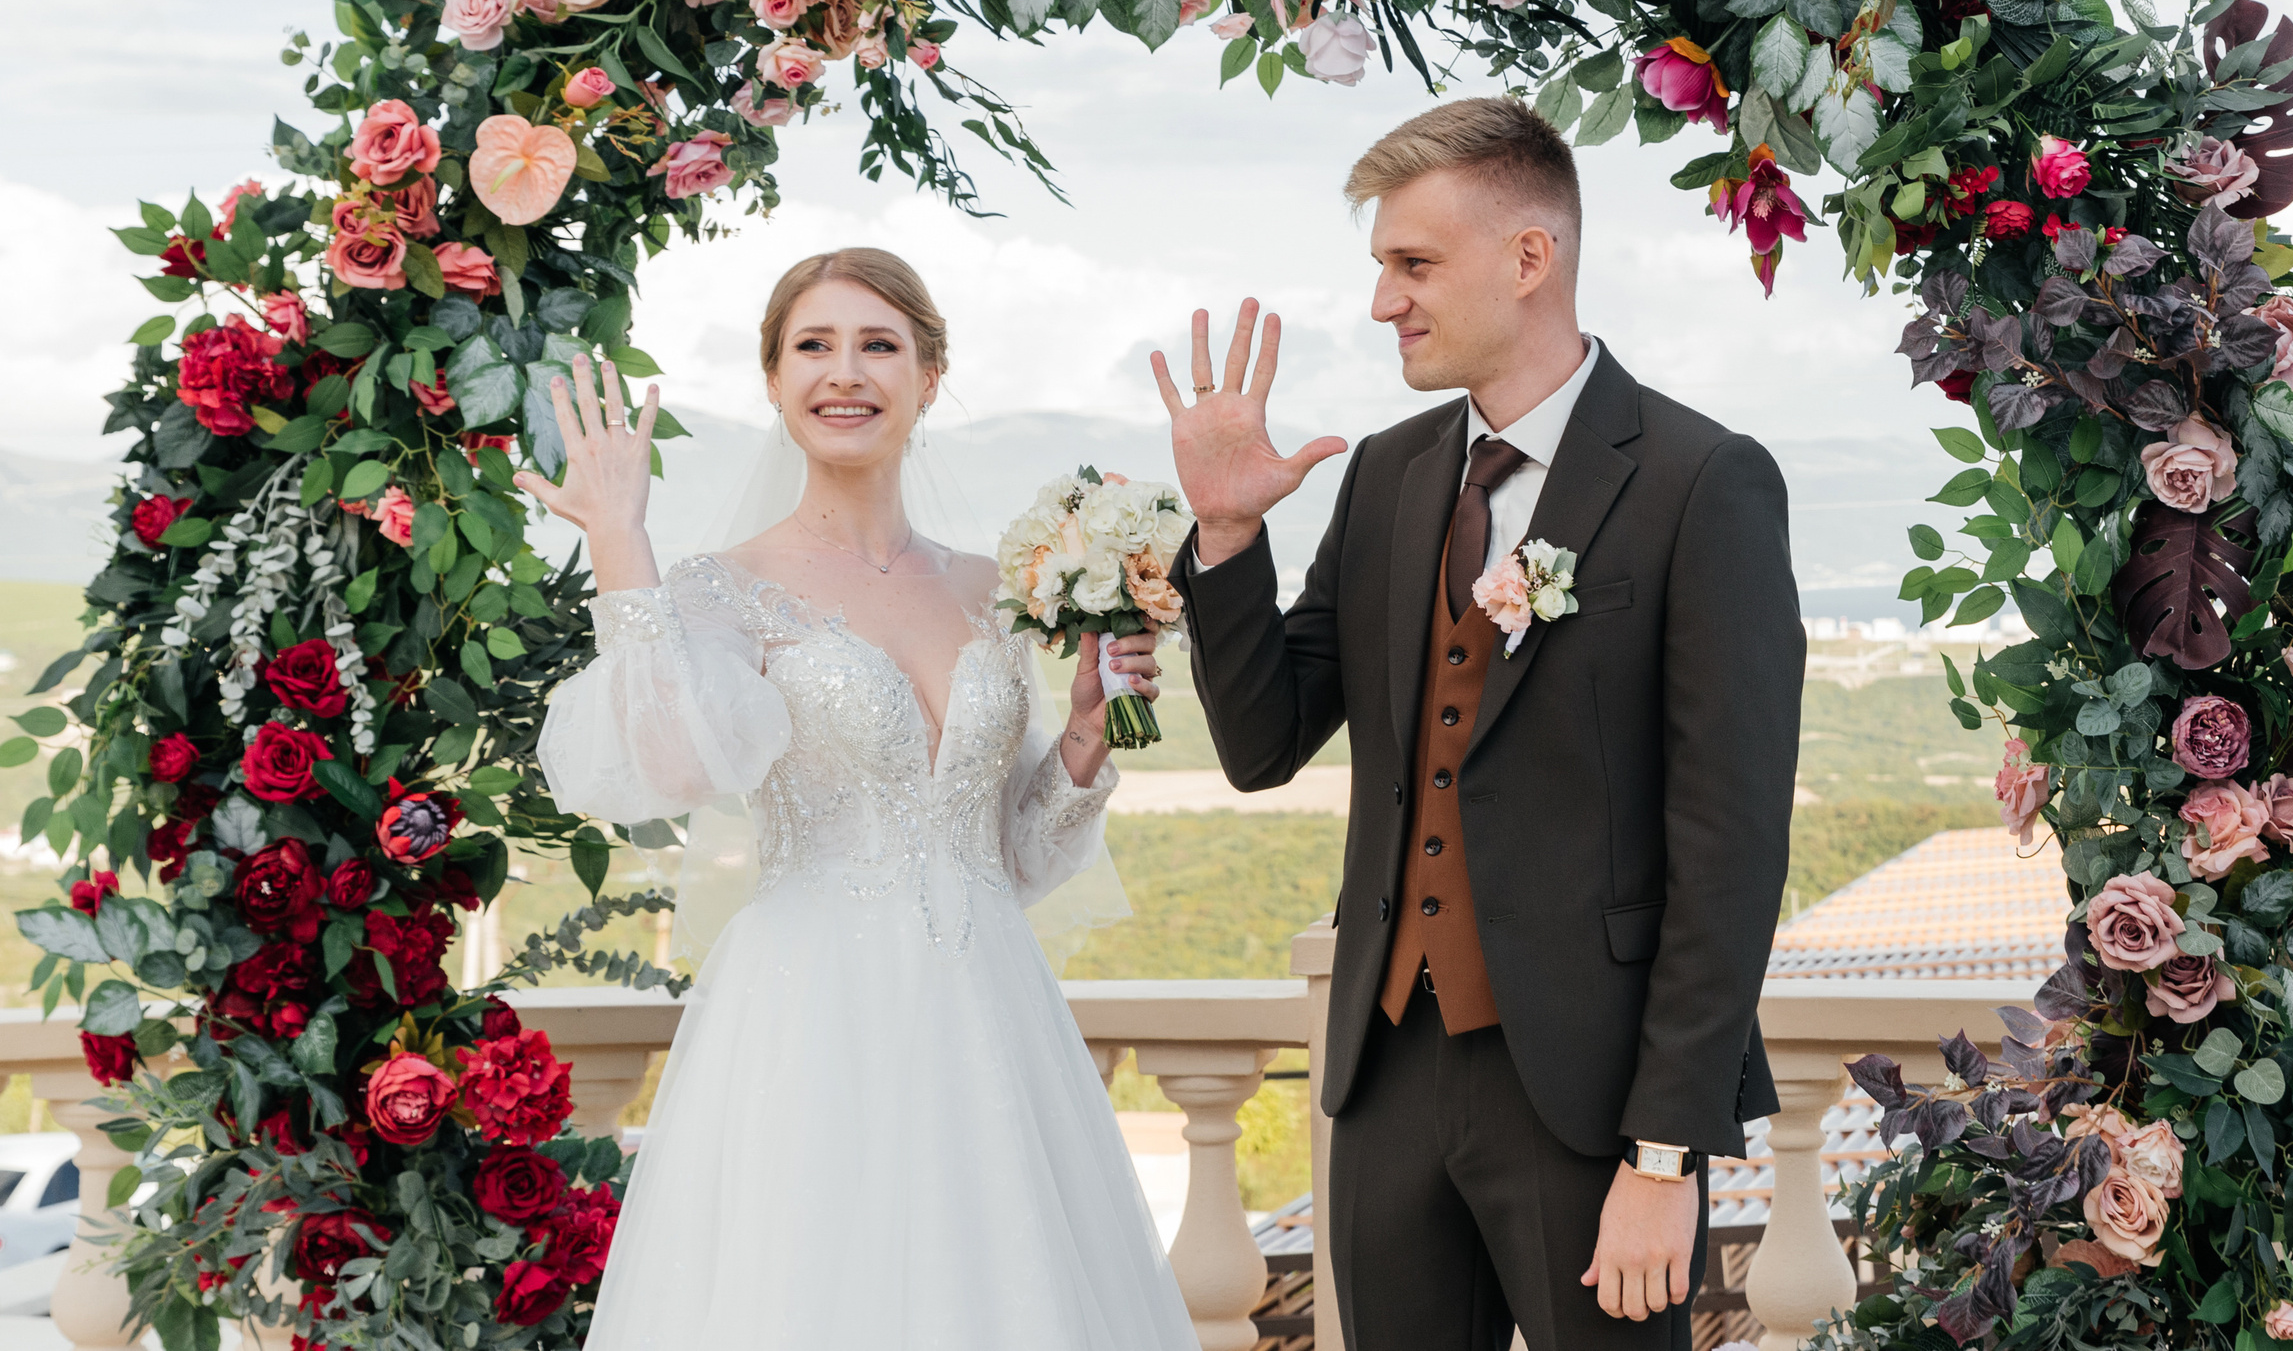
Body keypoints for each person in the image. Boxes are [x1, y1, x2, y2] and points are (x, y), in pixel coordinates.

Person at [1156, 98, 1803, 1350]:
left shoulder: (1698, 478)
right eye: (1380, 267)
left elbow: (1729, 851)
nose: (1384, 301)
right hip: (1385, 1072)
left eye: (1413, 263)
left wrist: (1664, 1156)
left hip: (1593, 1097)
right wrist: (1230, 537)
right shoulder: (1389, 472)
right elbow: (1262, 742)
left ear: (1527, 257)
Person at [520, 248, 1195, 1350]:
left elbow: (1016, 854)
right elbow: (673, 763)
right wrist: (619, 542)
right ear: (776, 381)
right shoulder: (722, 586)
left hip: (988, 1012)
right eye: (814, 346)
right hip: (809, 1014)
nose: (846, 372)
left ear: (929, 375)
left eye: (878, 343)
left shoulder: (991, 588)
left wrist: (1082, 733)